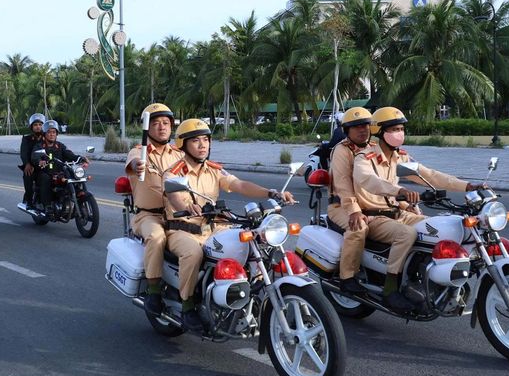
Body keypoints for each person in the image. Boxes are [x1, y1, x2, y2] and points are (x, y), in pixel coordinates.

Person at [164, 119, 295, 331]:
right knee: (193, 255)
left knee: (252, 244)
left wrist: (271, 192)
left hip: (214, 227)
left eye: (205, 140)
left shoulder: (214, 169)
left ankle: (244, 295)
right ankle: (187, 306)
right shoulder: (174, 172)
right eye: (195, 140)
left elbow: (239, 184)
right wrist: (187, 207)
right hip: (183, 230)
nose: (202, 145)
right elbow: (174, 195)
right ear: (183, 144)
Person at [352, 106, 481, 311]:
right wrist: (399, 190)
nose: (399, 134)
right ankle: (390, 289)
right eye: (393, 129)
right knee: (406, 234)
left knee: (435, 229)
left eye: (401, 129)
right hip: (374, 217)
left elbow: (429, 175)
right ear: (379, 132)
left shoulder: (400, 157)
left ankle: (422, 277)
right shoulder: (364, 158)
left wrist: (466, 186)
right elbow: (369, 181)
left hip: (399, 213)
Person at [124, 103, 184, 316]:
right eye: (156, 123)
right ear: (147, 128)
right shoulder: (138, 151)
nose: (162, 127)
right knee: (157, 238)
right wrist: (137, 165)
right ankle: (154, 291)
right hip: (148, 215)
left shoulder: (179, 154)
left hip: (177, 213)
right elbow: (133, 164)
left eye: (166, 123)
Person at [324, 107, 375, 295]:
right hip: (341, 206)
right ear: (347, 131)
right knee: (358, 227)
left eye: (365, 126)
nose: (363, 130)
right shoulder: (341, 151)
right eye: (356, 127)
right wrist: (354, 210)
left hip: (370, 204)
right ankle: (347, 278)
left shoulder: (375, 148)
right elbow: (343, 183)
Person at [32, 119, 86, 215]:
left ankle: (78, 198)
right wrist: (40, 161)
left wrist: (81, 158)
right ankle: (47, 206)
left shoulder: (60, 146)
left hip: (59, 173)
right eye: (49, 132)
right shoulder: (40, 146)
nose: (52, 134)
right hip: (45, 172)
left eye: (54, 132)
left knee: (74, 176)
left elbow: (69, 154)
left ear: (57, 134)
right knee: (45, 178)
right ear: (45, 134)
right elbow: (35, 156)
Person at [19, 113, 47, 210]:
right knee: (28, 175)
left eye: (40, 124)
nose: (38, 127)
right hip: (32, 166)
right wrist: (27, 163)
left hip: (46, 165)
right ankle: (29, 200)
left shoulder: (48, 137)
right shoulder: (27, 139)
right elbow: (23, 153)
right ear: (31, 127)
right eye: (35, 125)